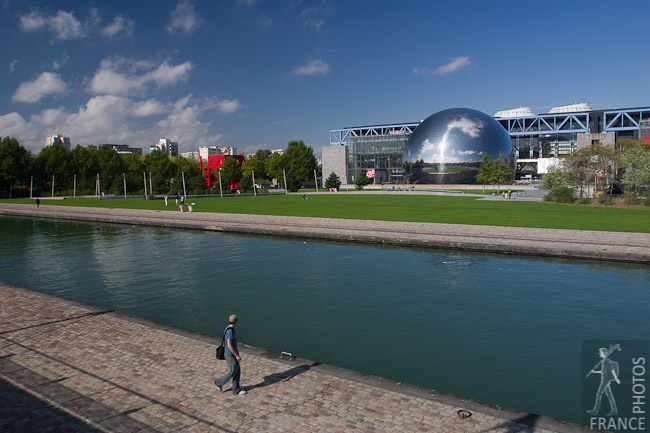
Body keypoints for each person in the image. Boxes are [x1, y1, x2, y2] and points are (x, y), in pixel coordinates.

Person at [215, 314, 246, 395]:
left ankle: (236, 388)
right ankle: (219, 383)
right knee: (233, 371)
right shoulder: (230, 331)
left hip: (231, 354)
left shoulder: (228, 328)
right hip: (230, 354)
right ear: (236, 321)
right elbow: (229, 345)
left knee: (237, 371)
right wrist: (236, 355)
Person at [587, 347, 620, 416]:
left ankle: (595, 411)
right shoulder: (604, 361)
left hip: (605, 380)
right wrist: (595, 372)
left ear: (604, 353)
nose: (599, 353)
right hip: (605, 379)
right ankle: (614, 410)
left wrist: (616, 379)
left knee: (599, 394)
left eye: (600, 352)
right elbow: (603, 371)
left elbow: (612, 369)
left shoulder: (605, 361)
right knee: (609, 395)